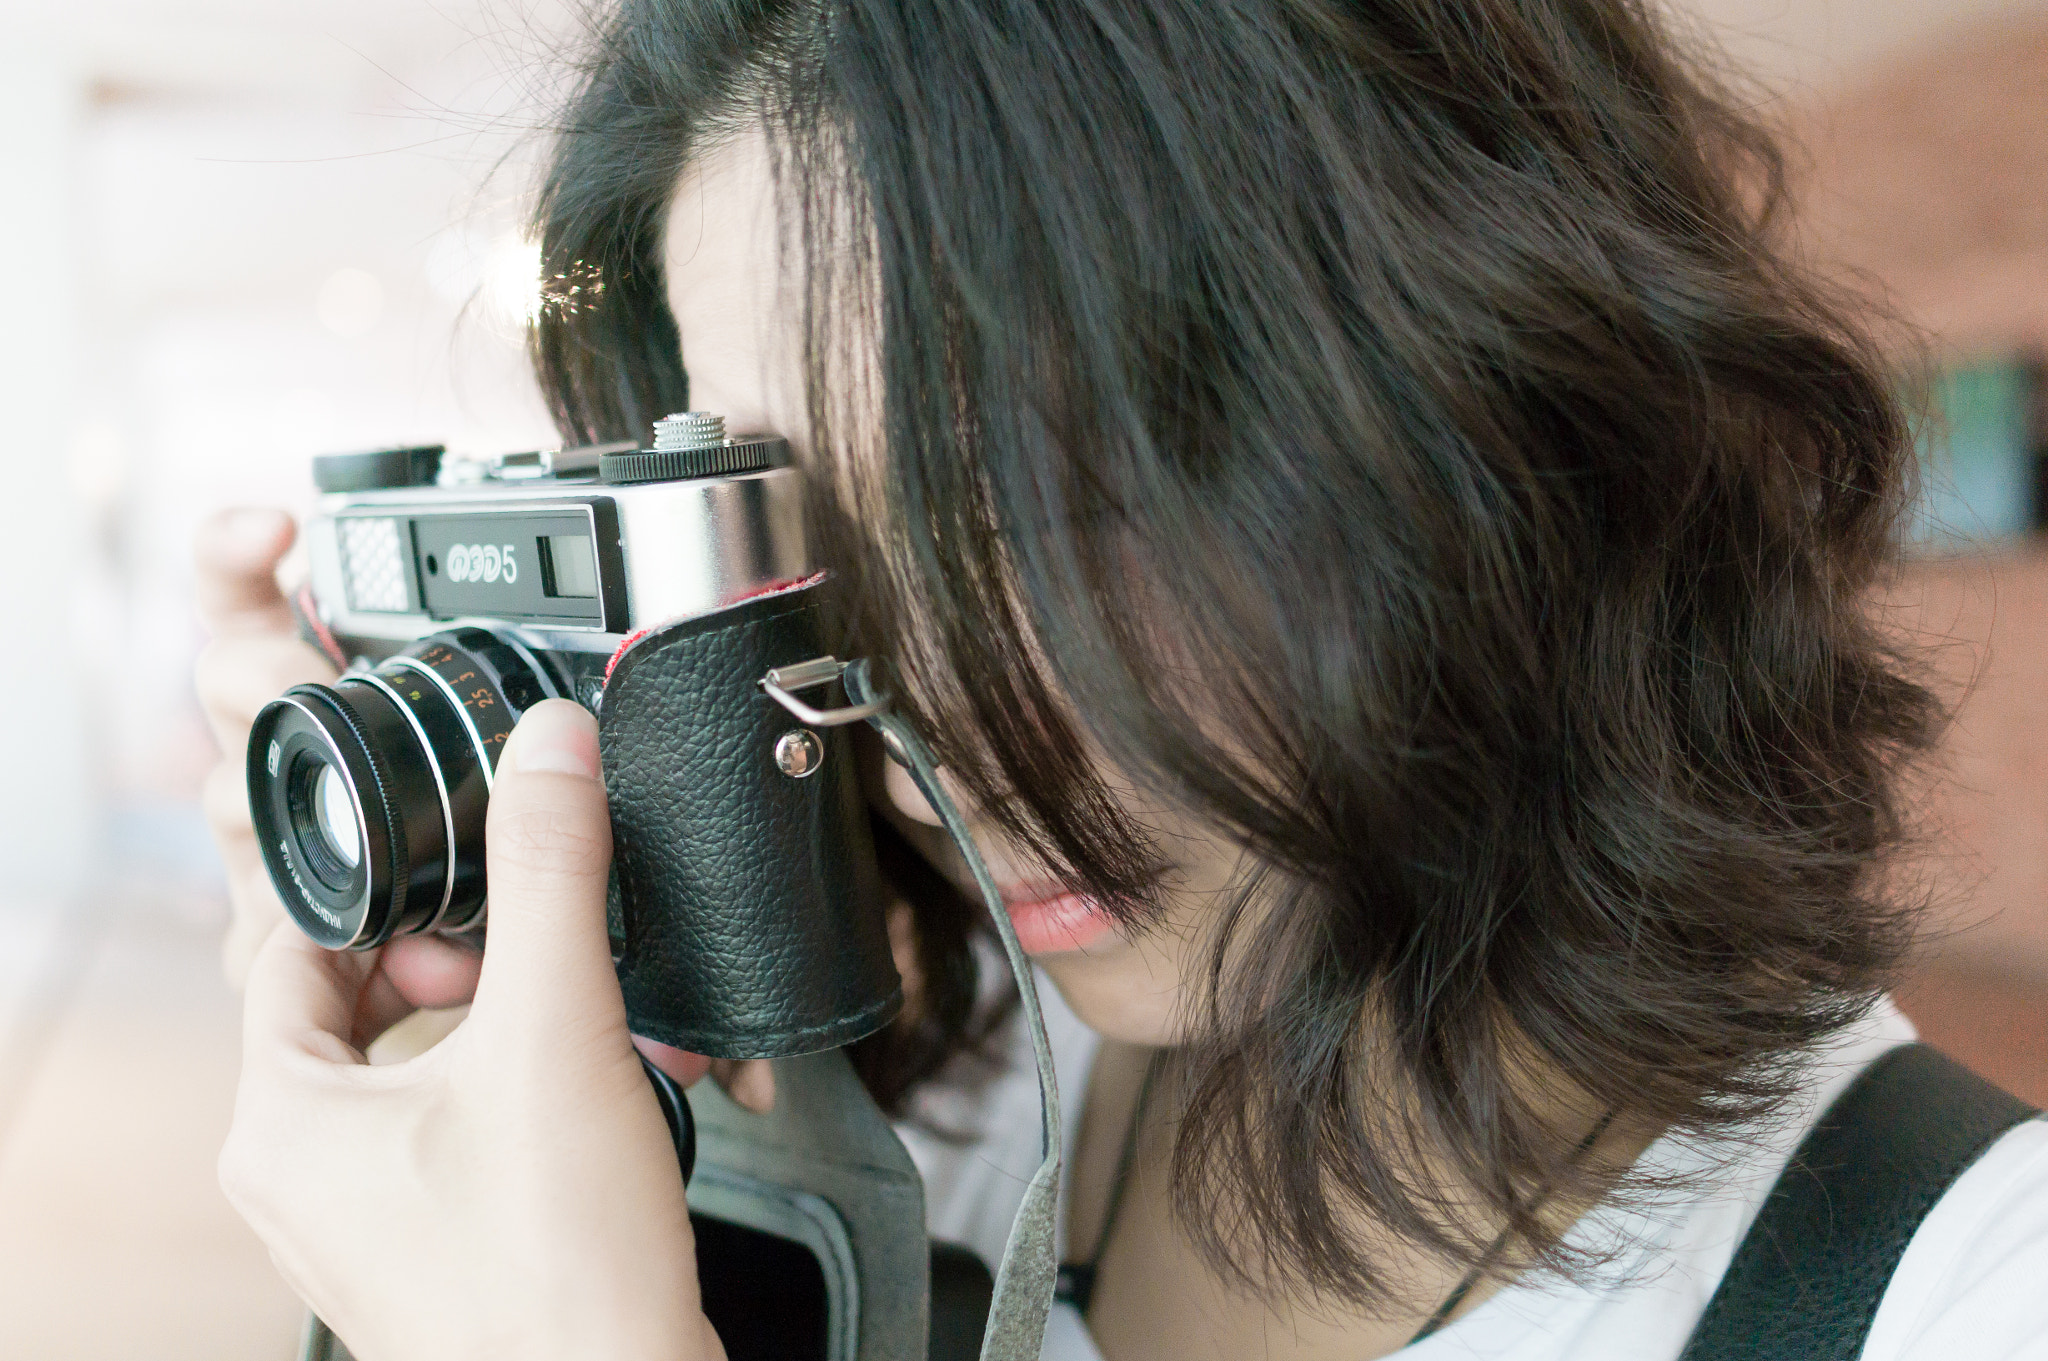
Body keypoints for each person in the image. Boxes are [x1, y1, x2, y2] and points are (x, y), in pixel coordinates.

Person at [194, 2, 2048, 1358]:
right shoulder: (1001, 1065)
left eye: (1070, 504)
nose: (934, 750)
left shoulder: (1962, 1291)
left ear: (1496, 397)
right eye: (811, 557)